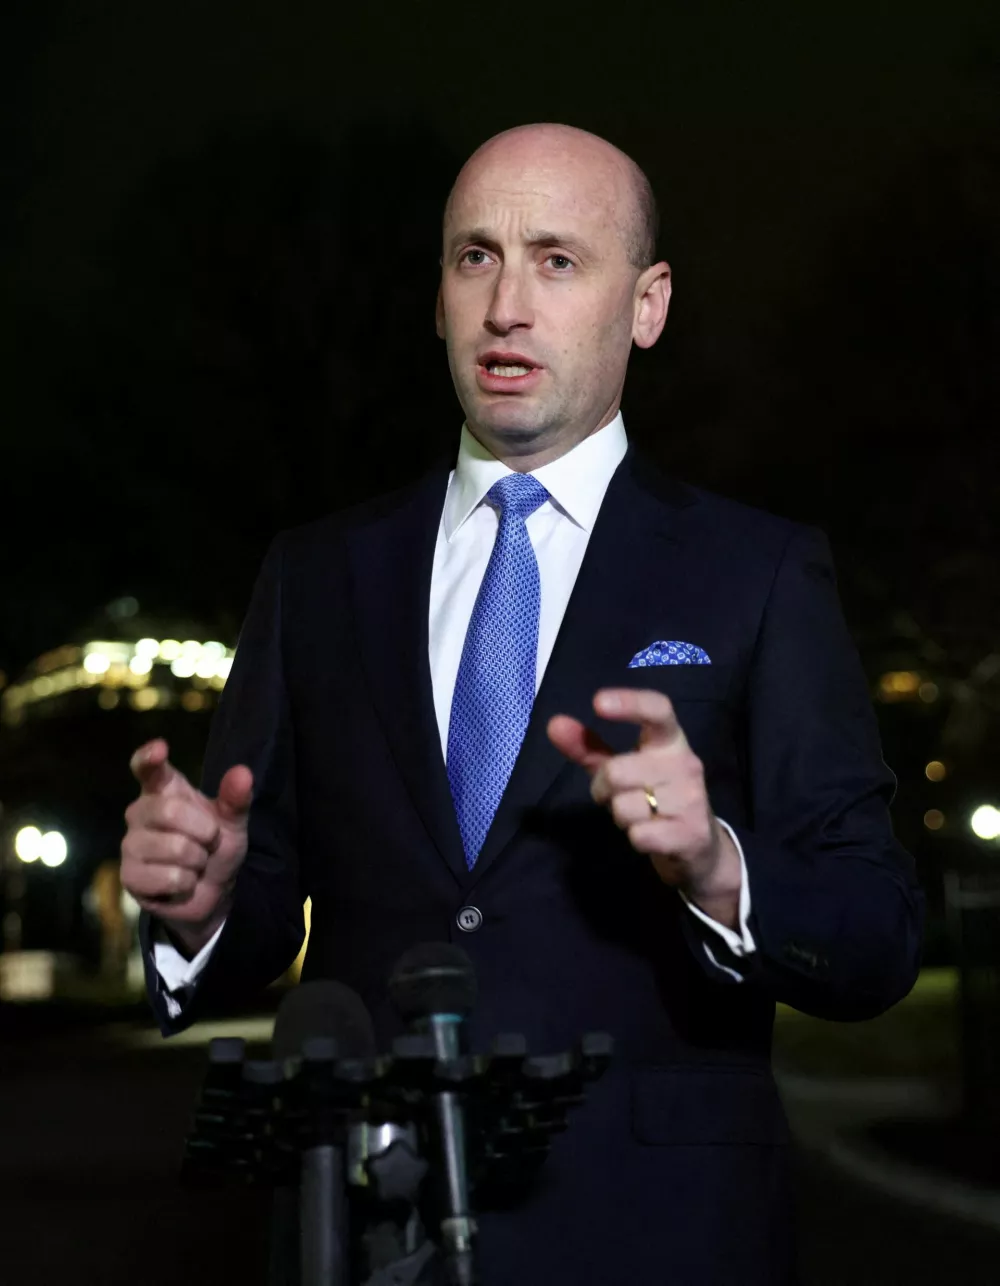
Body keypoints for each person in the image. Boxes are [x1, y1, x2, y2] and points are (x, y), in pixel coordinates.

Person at [120, 123, 923, 1285]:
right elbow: (259, 914)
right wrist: (200, 910)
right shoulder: (317, 575)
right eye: (474, 257)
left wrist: (717, 868)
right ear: (438, 298)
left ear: (645, 304)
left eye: (556, 260)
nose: (506, 305)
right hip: (372, 1229)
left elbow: (875, 931)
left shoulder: (756, 572)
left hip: (660, 1238)